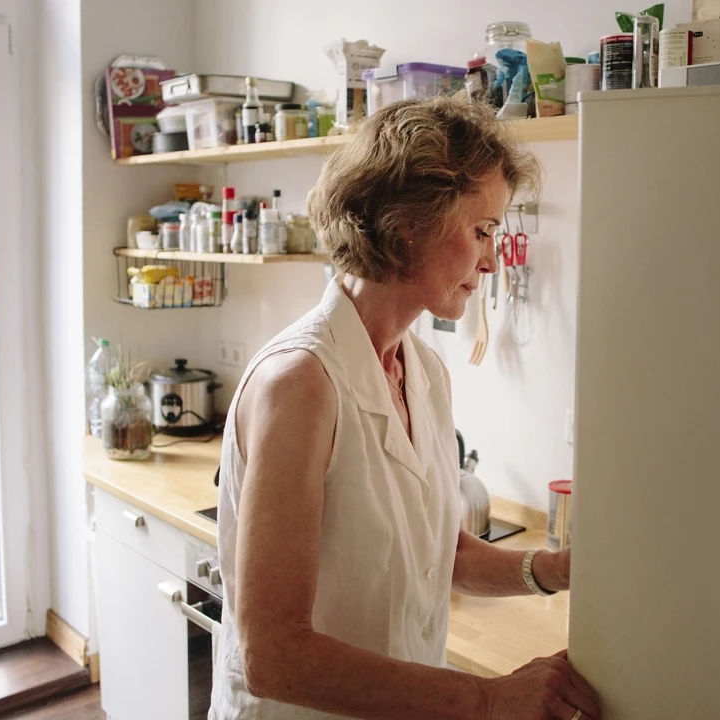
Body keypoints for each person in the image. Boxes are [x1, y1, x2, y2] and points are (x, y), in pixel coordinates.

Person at [210, 96, 600, 720]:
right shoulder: (301, 384)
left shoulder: (424, 370)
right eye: (481, 232)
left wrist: (557, 569)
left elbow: (440, 554)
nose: (491, 261)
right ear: (409, 221)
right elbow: (273, 657)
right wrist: (489, 698)